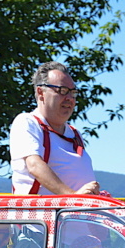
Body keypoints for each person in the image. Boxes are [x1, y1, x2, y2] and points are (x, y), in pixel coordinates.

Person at [9, 61, 101, 196]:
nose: (69, 98)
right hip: (41, 215)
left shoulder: (74, 134)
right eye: (62, 91)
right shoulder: (27, 122)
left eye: (73, 93)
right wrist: (73, 198)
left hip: (74, 213)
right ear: (41, 92)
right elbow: (34, 165)